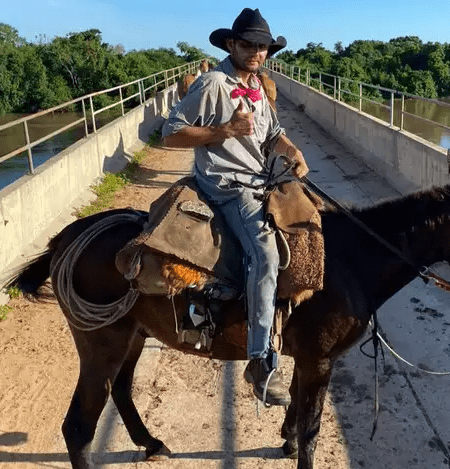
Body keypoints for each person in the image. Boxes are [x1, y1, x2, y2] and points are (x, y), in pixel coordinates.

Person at [162, 8, 309, 407]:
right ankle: (260, 360)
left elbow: (273, 134)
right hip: (228, 187)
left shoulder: (258, 85)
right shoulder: (212, 83)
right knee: (265, 256)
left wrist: (291, 150)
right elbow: (169, 134)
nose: (257, 52)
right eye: (248, 45)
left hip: (261, 179)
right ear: (231, 45)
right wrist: (224, 130)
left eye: (263, 47)